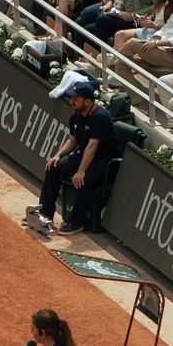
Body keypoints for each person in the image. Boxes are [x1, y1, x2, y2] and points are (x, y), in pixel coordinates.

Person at [23, 74, 117, 235]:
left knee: (83, 180)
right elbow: (72, 140)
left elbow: (92, 146)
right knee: (53, 168)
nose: (72, 101)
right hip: (86, 154)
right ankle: (45, 214)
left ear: (87, 101)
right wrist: (57, 155)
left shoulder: (101, 117)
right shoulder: (76, 116)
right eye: (72, 98)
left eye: (76, 99)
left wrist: (80, 171)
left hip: (104, 160)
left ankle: (76, 222)